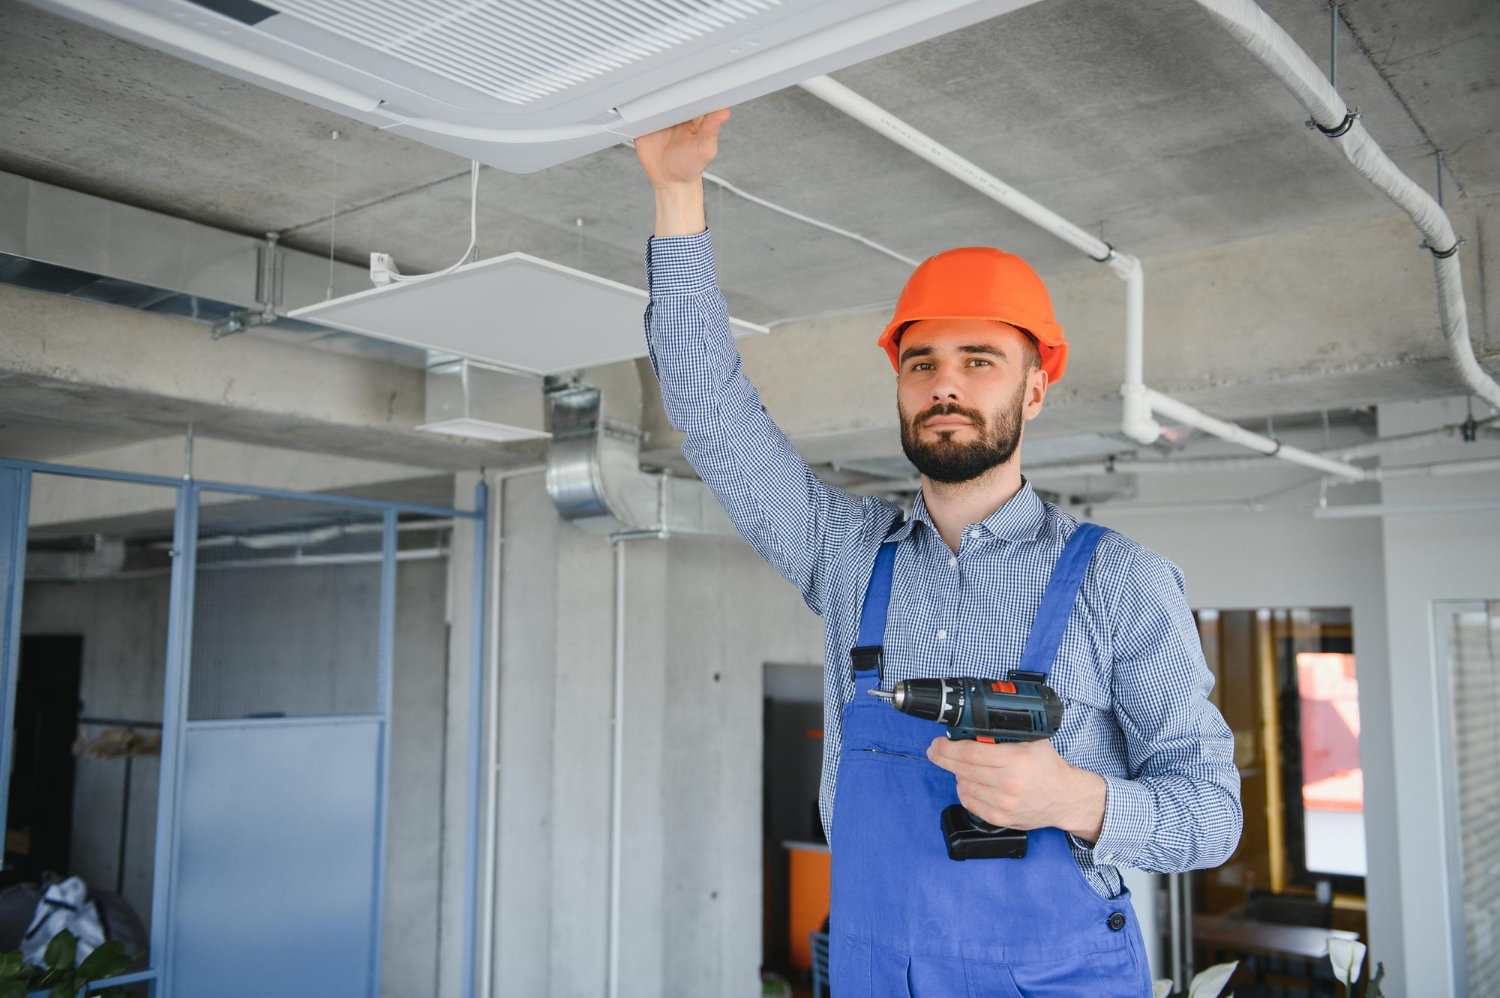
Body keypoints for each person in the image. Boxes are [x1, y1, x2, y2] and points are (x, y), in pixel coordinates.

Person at [635, 110, 1241, 997]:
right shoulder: (845, 553)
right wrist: (677, 192)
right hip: (877, 970)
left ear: (1035, 390)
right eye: (920, 362)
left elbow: (1213, 816)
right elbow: (710, 411)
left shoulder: (1119, 580)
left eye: (979, 360)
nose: (944, 383)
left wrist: (1072, 799)